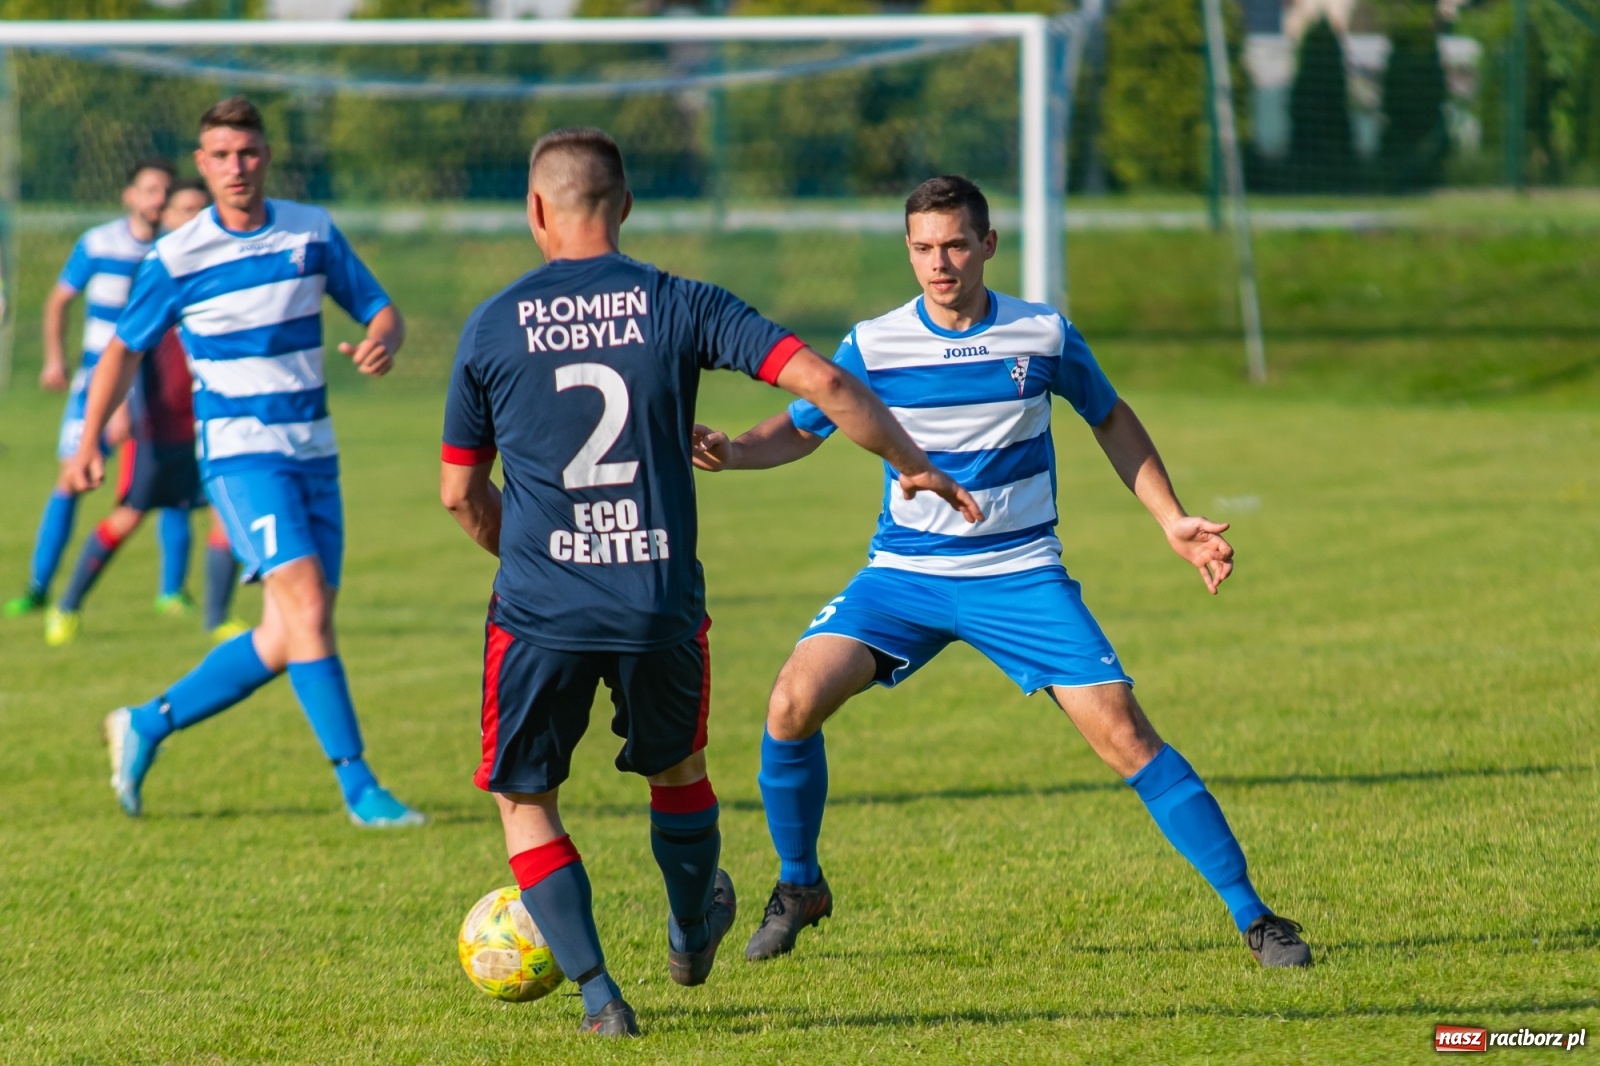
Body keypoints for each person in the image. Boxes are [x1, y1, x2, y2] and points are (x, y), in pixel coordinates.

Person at [692, 175, 1314, 970]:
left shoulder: (1041, 334)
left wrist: (1172, 519)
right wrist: (737, 451)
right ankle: (800, 885)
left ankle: (1256, 917)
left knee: (1124, 734)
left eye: (954, 244)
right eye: (923, 248)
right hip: (904, 576)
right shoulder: (875, 343)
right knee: (790, 701)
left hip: (1019, 574)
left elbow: (1110, 417)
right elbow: (808, 426)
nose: (939, 262)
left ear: (988, 244)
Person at [439, 129, 980, 1038]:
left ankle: (600, 998)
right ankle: (692, 930)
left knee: (526, 797)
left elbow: (459, 493)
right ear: (627, 206)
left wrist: (539, 556)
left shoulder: (493, 323)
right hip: (656, 600)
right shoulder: (679, 302)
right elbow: (826, 383)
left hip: (540, 607)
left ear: (536, 209)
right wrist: (912, 462)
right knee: (677, 770)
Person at [62, 96, 424, 829]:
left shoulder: (312, 232)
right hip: (237, 456)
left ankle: (148, 721)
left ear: (267, 156)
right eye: (221, 155)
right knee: (308, 605)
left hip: (315, 454)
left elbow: (381, 309)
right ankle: (360, 788)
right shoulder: (176, 256)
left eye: (249, 152)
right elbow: (122, 349)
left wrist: (385, 339)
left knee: (287, 634)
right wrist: (88, 440)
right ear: (202, 162)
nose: (237, 167)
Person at [46, 179, 246, 646]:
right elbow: (127, 349)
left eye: (202, 207)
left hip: (210, 420)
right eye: (183, 209)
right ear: (167, 217)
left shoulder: (224, 268)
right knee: (129, 515)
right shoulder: (157, 271)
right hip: (157, 427)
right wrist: (121, 409)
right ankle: (67, 605)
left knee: (227, 515)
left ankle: (217, 619)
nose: (194, 217)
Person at [5, 158, 174, 619]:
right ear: (130, 196)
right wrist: (55, 359)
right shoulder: (99, 242)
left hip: (155, 391)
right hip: (97, 385)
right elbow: (60, 299)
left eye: (164, 191)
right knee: (71, 480)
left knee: (171, 485)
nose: (157, 199)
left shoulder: (175, 251)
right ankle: (39, 588)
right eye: (149, 189)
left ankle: (173, 593)